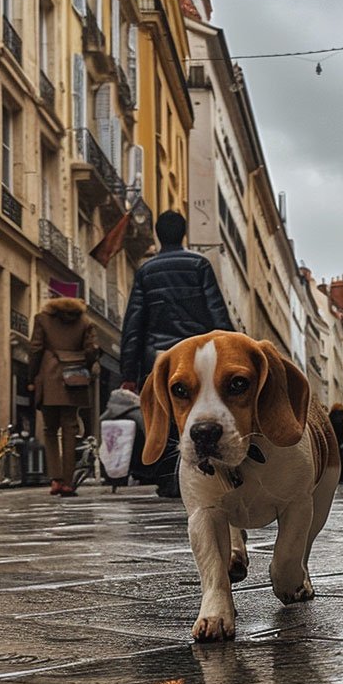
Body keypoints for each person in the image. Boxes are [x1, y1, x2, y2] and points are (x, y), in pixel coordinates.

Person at [119, 209, 233, 497]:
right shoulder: (198, 265)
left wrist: (128, 373)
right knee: (193, 409)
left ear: (158, 234)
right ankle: (198, 472)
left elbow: (134, 324)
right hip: (195, 353)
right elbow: (217, 311)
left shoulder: (146, 271)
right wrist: (231, 349)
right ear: (184, 234)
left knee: (164, 415)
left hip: (157, 355)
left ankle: (168, 479)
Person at [28, 296, 98, 497]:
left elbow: (35, 349)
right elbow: (92, 350)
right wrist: (84, 366)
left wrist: (32, 377)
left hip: (49, 376)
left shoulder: (42, 318)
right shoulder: (85, 321)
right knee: (70, 429)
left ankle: (55, 479)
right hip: (74, 379)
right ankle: (68, 482)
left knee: (50, 430)